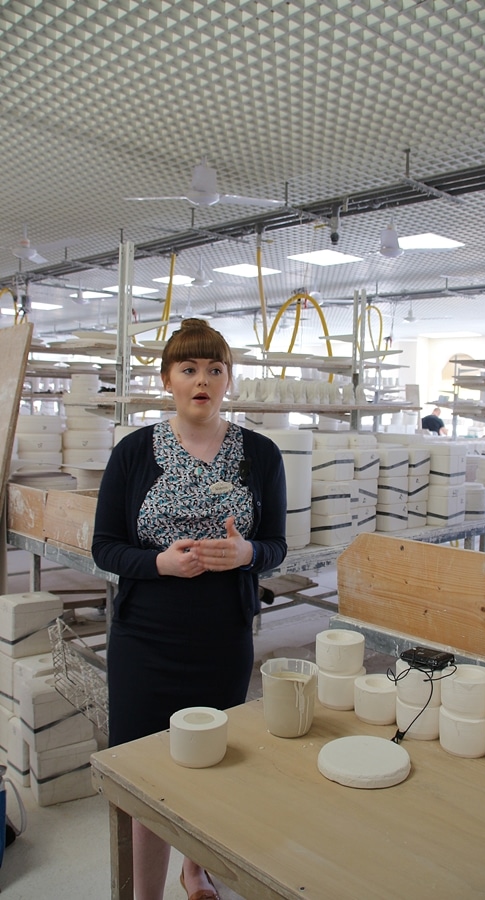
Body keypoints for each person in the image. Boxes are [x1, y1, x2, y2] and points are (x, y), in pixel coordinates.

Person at [92, 318, 287, 900]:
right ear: (167, 379)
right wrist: (159, 564)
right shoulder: (133, 453)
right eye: (189, 368)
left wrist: (246, 552)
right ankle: (145, 893)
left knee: (212, 763)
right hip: (145, 638)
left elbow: (276, 545)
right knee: (146, 772)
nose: (202, 379)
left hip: (222, 638)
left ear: (229, 379)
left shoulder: (260, 454)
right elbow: (105, 545)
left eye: (214, 368)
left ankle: (195, 868)